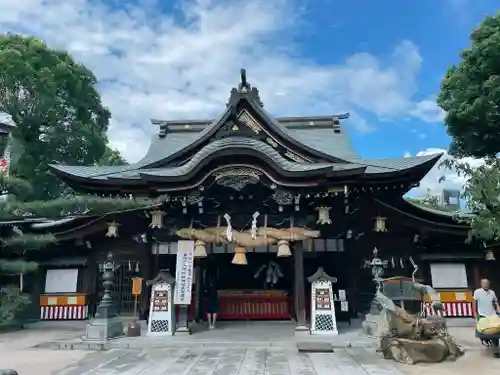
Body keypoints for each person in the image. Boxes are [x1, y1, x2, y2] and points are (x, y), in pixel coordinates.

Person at [474, 278, 500, 357]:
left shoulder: (492, 292)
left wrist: (498, 311)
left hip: (492, 315)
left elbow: (496, 303)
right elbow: (474, 302)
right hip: (482, 315)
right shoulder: (477, 292)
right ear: (481, 284)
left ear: (489, 284)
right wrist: (475, 313)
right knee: (482, 332)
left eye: (487, 283)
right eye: (484, 283)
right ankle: (485, 340)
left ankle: (496, 350)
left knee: (495, 332)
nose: (485, 284)